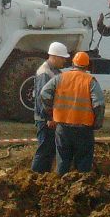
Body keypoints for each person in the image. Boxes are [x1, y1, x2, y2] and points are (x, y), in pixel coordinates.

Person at [38, 50, 106, 175]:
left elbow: (44, 94)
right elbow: (99, 105)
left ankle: (60, 187)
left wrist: (51, 113)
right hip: (84, 128)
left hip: (63, 127)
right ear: (87, 65)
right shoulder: (90, 81)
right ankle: (82, 188)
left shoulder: (60, 78)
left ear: (73, 63)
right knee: (83, 163)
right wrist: (97, 124)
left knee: (63, 160)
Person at [30, 41, 70, 172]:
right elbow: (43, 98)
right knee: (44, 151)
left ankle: (42, 176)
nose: (64, 61)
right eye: (63, 58)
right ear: (55, 56)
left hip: (51, 118)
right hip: (45, 120)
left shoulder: (55, 72)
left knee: (49, 151)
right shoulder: (45, 73)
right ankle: (35, 176)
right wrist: (49, 117)